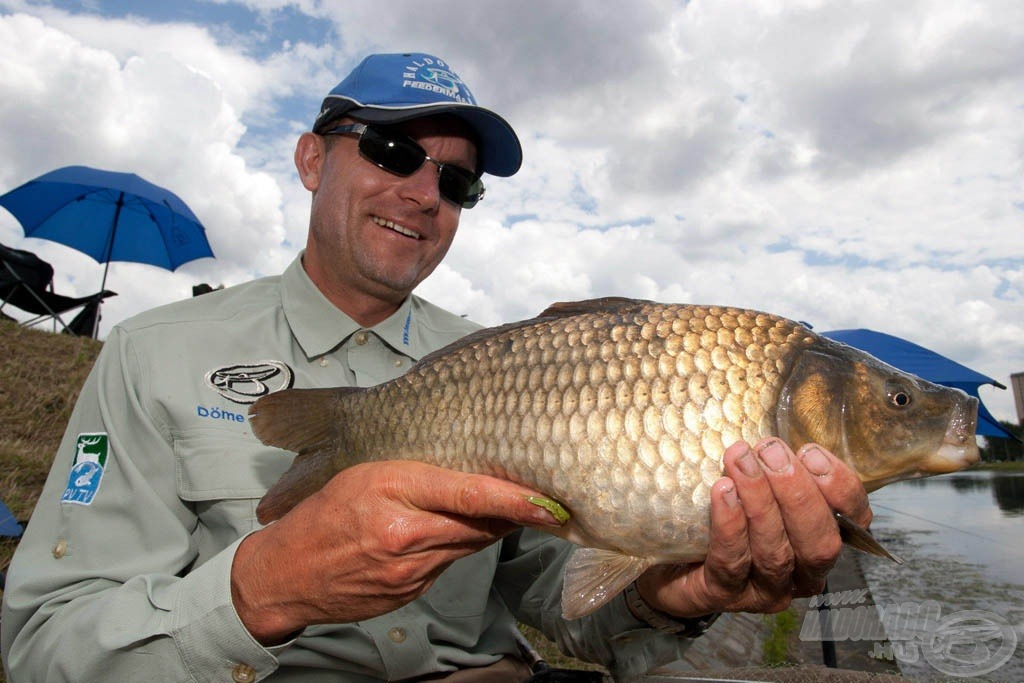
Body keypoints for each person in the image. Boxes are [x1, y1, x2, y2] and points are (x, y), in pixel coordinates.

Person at [1, 52, 871, 682]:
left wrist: (680, 594)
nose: (424, 191)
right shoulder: (155, 353)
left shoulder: (515, 363)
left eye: (457, 183)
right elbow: (43, 644)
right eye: (390, 152)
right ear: (311, 158)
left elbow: (561, 600)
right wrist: (262, 588)